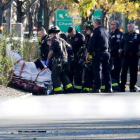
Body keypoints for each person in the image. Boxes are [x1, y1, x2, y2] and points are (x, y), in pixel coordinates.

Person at [86, 18, 112, 93]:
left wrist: (88, 53)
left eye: (94, 23)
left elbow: (91, 43)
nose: (93, 25)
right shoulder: (105, 31)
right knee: (106, 71)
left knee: (98, 71)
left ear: (96, 23)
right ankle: (109, 88)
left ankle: (97, 88)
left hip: (98, 53)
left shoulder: (95, 31)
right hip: (106, 53)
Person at [46, 26, 73, 94]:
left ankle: (57, 89)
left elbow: (51, 52)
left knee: (55, 75)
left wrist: (48, 60)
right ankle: (69, 88)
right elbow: (70, 47)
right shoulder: (62, 40)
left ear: (52, 33)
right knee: (62, 74)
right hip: (65, 60)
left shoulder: (53, 41)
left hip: (58, 61)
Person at [119, 23, 140, 92]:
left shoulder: (137, 36)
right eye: (128, 27)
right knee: (124, 72)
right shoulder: (124, 35)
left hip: (134, 56)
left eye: (130, 27)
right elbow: (121, 44)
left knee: (133, 72)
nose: (129, 28)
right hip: (126, 56)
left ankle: (132, 87)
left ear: (133, 27)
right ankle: (122, 86)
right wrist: (120, 49)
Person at [67, 26, 85, 93]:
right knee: (70, 73)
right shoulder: (69, 37)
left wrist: (82, 56)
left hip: (79, 57)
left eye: (71, 34)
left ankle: (78, 88)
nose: (70, 36)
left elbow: (84, 47)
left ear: (74, 31)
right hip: (72, 58)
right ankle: (71, 87)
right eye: (69, 35)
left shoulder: (80, 36)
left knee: (78, 73)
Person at [82, 21, 94, 93]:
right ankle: (87, 87)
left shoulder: (93, 36)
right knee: (87, 73)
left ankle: (93, 86)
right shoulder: (87, 37)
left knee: (93, 73)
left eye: (87, 29)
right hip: (88, 58)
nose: (86, 31)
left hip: (93, 57)